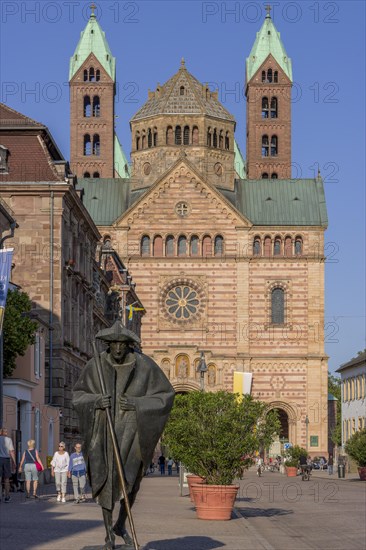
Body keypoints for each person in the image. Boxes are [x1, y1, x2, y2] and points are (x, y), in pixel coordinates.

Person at [73, 321, 175, 550]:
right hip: (103, 432)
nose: (118, 349)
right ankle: (109, 535)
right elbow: (78, 396)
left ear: (129, 344)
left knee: (131, 482)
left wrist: (137, 403)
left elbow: (165, 396)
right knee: (105, 481)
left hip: (132, 432)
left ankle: (120, 523)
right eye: (113, 344)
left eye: (122, 344)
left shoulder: (145, 366)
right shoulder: (95, 365)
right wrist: (96, 401)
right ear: (107, 344)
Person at [0, 428, 16, 503]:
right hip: (6, 460)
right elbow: (11, 451)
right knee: (6, 479)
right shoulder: (9, 440)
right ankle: (7, 496)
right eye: (6, 432)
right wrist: (14, 462)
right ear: (5, 433)